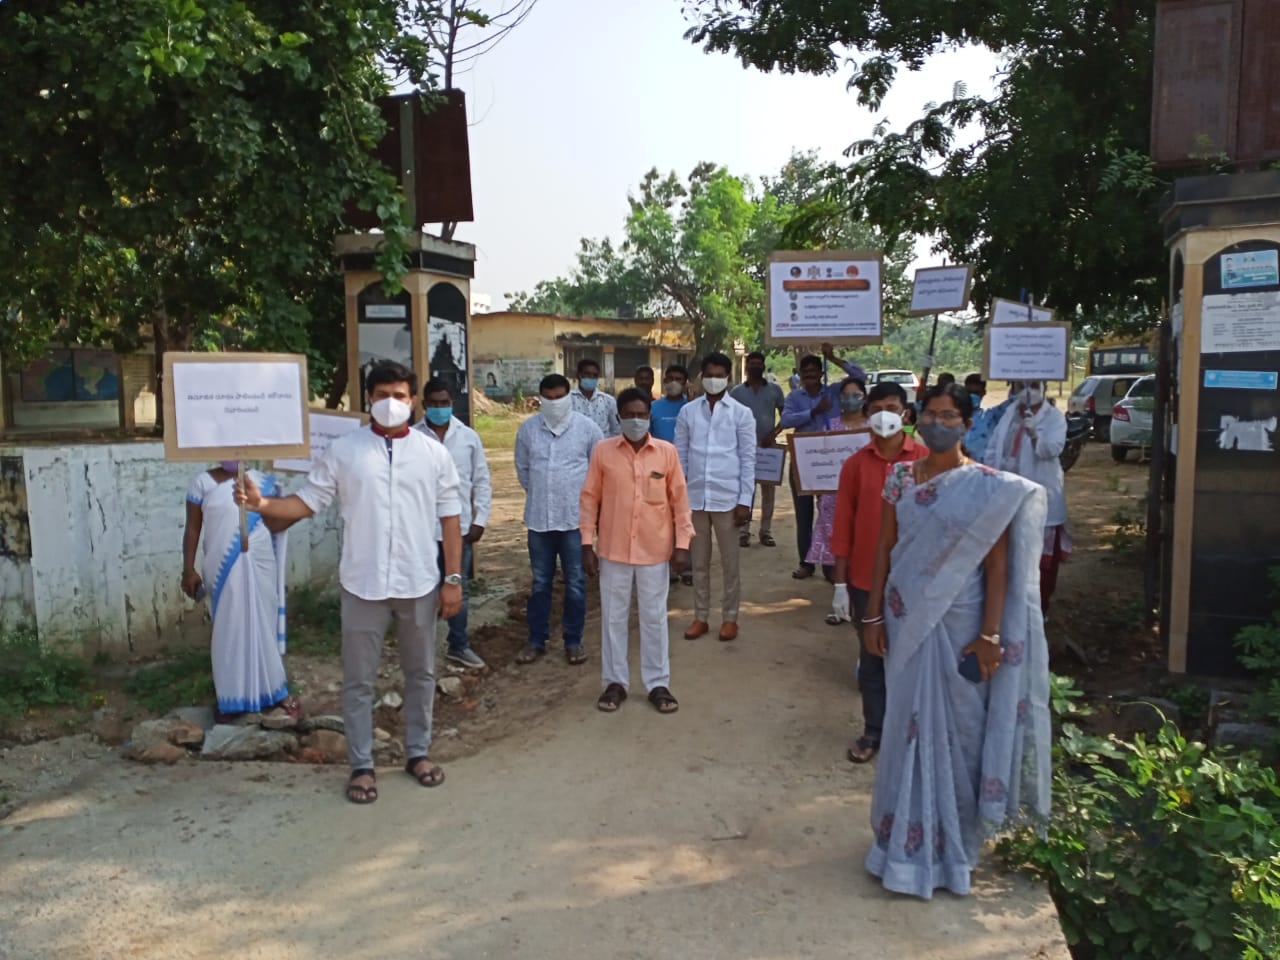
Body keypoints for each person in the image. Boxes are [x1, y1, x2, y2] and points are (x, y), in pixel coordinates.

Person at [237, 361, 463, 805]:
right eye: (382, 395)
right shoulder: (345, 451)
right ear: (368, 399)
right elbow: (305, 503)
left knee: (421, 673)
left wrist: (452, 578)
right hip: (362, 584)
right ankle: (362, 765)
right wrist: (262, 503)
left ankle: (418, 753)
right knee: (358, 680)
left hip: (418, 581)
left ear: (413, 400)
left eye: (400, 395)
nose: (391, 403)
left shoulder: (434, 453)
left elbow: (450, 519)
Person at [862, 383, 1051, 898]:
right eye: (930, 414)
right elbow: (884, 548)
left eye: (950, 415)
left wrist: (990, 634)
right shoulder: (900, 478)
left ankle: (952, 851)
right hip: (905, 620)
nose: (938, 422)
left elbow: (996, 568)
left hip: (961, 622)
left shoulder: (988, 489)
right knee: (904, 726)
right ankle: (897, 847)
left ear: (968, 424)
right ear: (915, 419)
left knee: (959, 731)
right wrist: (872, 616)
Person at [828, 382, 928, 762]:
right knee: (871, 660)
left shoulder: (925, 459)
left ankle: (912, 734)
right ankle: (874, 731)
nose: (884, 413)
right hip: (866, 580)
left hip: (914, 581)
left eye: (892, 406)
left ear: (906, 413)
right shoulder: (855, 465)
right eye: (877, 407)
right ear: (868, 414)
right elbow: (844, 525)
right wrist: (839, 583)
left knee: (913, 661)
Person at [581, 388, 694, 715]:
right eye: (628, 414)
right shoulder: (603, 452)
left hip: (655, 551)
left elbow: (680, 502)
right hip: (613, 550)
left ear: (650, 417)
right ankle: (615, 682)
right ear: (618, 417)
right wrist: (587, 543)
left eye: (641, 414)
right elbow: (589, 498)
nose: (635, 420)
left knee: (654, 618)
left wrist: (682, 545)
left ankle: (658, 683)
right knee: (613, 618)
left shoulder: (666, 453)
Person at [182, 461, 296, 722]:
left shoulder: (262, 482)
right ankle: (232, 699)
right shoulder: (202, 483)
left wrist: (301, 510)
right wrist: (188, 569)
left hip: (259, 558)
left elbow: (275, 523)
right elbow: (193, 528)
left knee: (261, 622)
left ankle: (273, 692)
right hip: (222, 563)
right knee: (230, 627)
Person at [514, 373, 604, 666]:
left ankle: (573, 641)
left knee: (575, 583)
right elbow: (524, 470)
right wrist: (545, 491)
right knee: (540, 582)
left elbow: (598, 473)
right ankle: (536, 640)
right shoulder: (528, 430)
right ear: (540, 397)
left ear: (569, 396)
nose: (553, 403)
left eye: (559, 397)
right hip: (539, 520)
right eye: (548, 398)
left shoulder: (588, 430)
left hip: (575, 521)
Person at [675, 352, 756, 642]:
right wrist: (679, 498)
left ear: (728, 378)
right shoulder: (688, 412)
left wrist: (745, 500)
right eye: (709, 374)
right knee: (699, 563)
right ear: (701, 376)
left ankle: (730, 618)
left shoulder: (741, 414)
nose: (713, 379)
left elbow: (748, 459)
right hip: (695, 497)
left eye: (719, 375)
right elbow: (680, 456)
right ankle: (700, 616)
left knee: (730, 563)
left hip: (728, 499)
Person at [418, 378, 492, 671]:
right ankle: (422, 650)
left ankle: (458, 645)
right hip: (421, 531)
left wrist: (480, 519)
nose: (439, 408)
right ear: (424, 405)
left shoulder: (468, 437)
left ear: (452, 404)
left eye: (444, 403)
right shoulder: (412, 438)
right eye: (433, 404)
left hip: (458, 530)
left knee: (457, 586)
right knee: (422, 591)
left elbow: (482, 481)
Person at [780, 344, 868, 578]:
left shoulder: (834, 392)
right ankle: (806, 562)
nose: (809, 377)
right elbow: (787, 419)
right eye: (805, 373)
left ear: (820, 373)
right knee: (804, 513)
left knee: (831, 512)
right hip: (804, 462)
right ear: (800, 374)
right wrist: (813, 412)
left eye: (813, 373)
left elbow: (860, 377)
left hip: (832, 463)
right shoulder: (794, 397)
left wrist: (833, 357)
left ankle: (830, 562)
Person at [983, 380, 1071, 615]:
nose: (1027, 391)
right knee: (1009, 555)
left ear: (1044, 388)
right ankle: (1011, 610)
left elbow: (1051, 450)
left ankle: (1039, 611)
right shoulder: (1009, 414)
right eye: (1021, 386)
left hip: (1040, 494)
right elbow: (993, 449)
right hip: (1007, 494)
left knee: (1040, 561)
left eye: (1033, 385)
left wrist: (1034, 435)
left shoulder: (1054, 418)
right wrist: (991, 478)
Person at [806, 376, 870, 584]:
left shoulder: (872, 429)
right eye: (846, 395)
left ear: (864, 398)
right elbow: (818, 461)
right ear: (839, 398)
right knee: (834, 548)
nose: (850, 399)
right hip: (833, 498)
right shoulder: (829, 427)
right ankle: (839, 595)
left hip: (866, 497)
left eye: (856, 395)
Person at [730, 350, 785, 548]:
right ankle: (743, 532)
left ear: (763, 366)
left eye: (758, 363)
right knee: (745, 489)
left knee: (768, 492)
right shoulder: (736, 392)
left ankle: (766, 532)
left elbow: (785, 415)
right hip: (743, 448)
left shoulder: (775, 390)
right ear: (747, 367)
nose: (755, 366)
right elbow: (729, 419)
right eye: (751, 363)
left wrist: (774, 433)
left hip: (768, 447)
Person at [571, 358, 619, 437]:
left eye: (595, 375)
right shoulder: (568, 399)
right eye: (587, 374)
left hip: (603, 447)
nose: (591, 377)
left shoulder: (608, 401)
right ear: (578, 375)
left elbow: (616, 429)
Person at [649, 364, 689, 443]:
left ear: (685, 383)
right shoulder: (652, 407)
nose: (674, 382)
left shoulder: (690, 406)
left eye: (678, 379)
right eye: (670, 378)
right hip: (660, 453)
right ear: (664, 381)